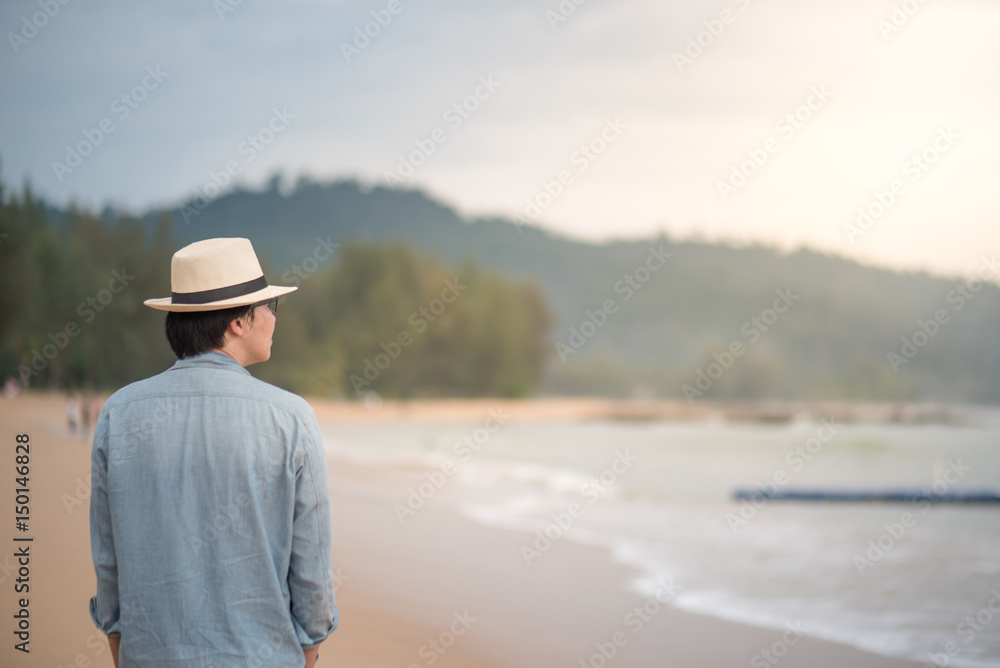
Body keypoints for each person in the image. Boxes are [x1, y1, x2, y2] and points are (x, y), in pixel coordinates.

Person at [89, 237, 338, 667]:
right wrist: (308, 652)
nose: (273, 320)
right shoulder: (292, 418)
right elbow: (312, 576)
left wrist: (124, 647)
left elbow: (109, 562)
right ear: (240, 322)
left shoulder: (119, 413)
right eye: (270, 309)